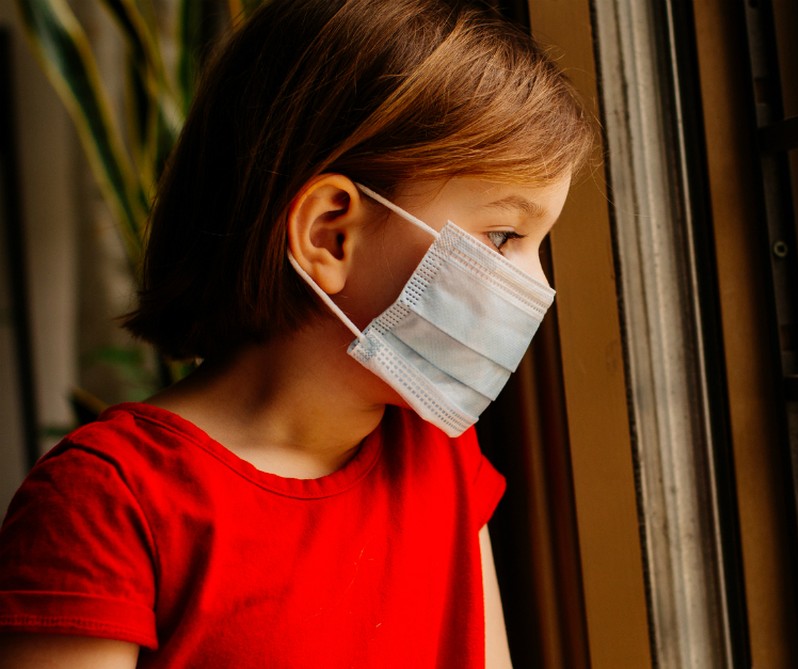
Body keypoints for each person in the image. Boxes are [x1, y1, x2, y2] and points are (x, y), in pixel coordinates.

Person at [0, 0, 593, 666]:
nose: (536, 286)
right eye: (504, 236)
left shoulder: (440, 451)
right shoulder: (108, 503)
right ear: (329, 234)